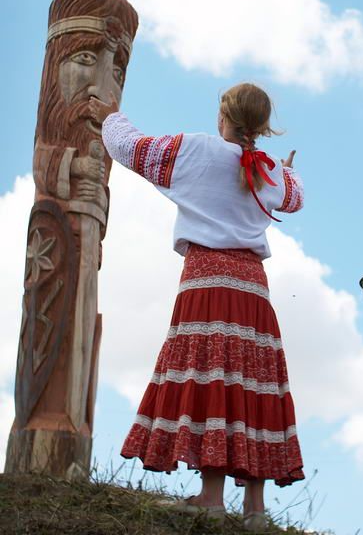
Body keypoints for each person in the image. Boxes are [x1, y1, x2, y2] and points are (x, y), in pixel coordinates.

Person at [89, 82, 304, 531]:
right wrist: (287, 172)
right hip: (253, 286)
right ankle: (256, 510)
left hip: (206, 278)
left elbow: (127, 147)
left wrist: (111, 115)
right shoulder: (269, 172)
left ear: (222, 116)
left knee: (212, 376)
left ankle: (210, 497)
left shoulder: (195, 150)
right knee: (251, 380)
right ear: (263, 127)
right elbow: (296, 198)